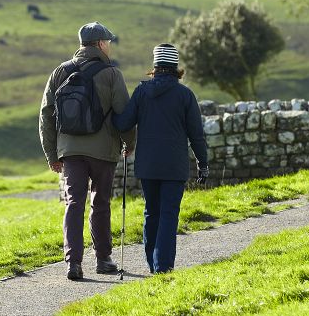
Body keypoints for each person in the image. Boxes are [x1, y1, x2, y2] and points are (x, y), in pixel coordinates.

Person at [39, 22, 137, 280]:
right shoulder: (112, 74)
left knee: (73, 203)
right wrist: (130, 142)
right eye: (109, 42)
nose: (110, 46)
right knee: (100, 203)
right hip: (103, 150)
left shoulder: (60, 72)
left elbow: (46, 115)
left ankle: (73, 263)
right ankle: (103, 259)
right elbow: (123, 113)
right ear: (100, 44)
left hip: (70, 151)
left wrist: (53, 154)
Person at [112, 43, 209, 274]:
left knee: (151, 212)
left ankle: (152, 263)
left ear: (155, 66)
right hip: (174, 166)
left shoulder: (142, 92)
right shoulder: (185, 95)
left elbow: (123, 123)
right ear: (176, 67)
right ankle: (163, 266)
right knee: (168, 215)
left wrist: (109, 110)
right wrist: (202, 163)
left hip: (148, 165)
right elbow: (196, 134)